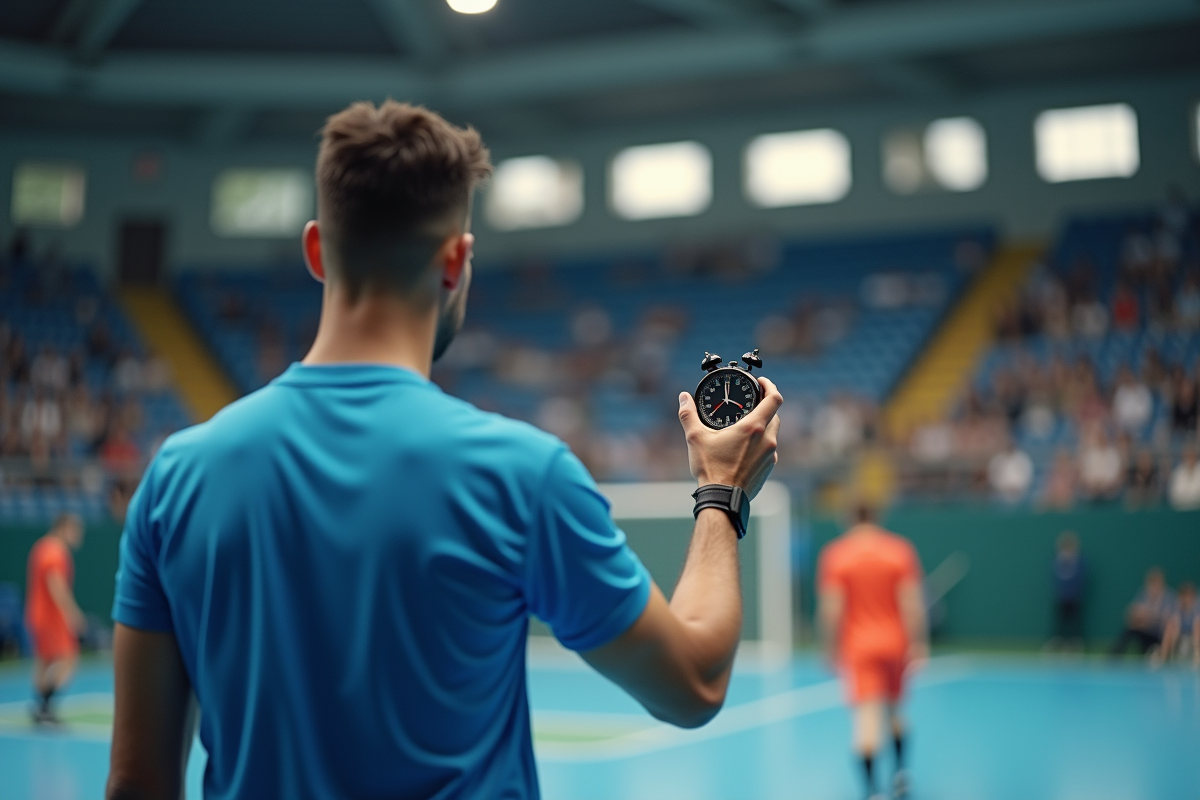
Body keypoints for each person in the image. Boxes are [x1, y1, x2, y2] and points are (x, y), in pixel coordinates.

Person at [104, 100, 784, 800]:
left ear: (316, 250)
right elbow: (694, 684)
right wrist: (720, 493)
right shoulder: (521, 477)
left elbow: (136, 783)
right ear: (456, 261)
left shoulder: (174, 479)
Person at [819, 504, 927, 800]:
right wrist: (918, 644)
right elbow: (912, 603)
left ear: (850, 518)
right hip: (896, 644)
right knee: (895, 711)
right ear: (877, 517)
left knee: (866, 720)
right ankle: (902, 775)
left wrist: (829, 648)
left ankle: (872, 791)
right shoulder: (899, 551)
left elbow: (832, 609)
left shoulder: (837, 554)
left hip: (860, 648)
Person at [24, 513, 86, 724]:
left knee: (45, 661)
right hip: (51, 618)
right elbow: (56, 585)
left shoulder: (41, 546)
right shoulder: (56, 551)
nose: (78, 535)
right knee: (69, 659)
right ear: (64, 527)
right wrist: (73, 614)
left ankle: (41, 707)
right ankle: (45, 705)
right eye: (75, 530)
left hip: (37, 614)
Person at [1110, 568, 1175, 660]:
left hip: (1159, 635)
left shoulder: (1169, 596)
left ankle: (1162, 654)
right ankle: (1113, 657)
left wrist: (1148, 616)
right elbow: (1133, 611)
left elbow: (1167, 618)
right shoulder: (1143, 593)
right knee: (1131, 627)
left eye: (1156, 582)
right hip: (1145, 631)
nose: (1153, 586)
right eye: (1151, 582)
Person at [1050, 531, 1086, 651]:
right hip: (1061, 597)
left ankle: (1075, 643)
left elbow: (1080, 577)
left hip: (1075, 597)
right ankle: (1057, 642)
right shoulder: (1058, 561)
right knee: (1060, 621)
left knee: (1075, 622)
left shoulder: (1078, 561)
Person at [1157, 582, 1199, 669]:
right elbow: (1173, 621)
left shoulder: (1197, 607)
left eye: (1189, 595)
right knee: (1170, 626)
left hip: (1193, 637)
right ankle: (1165, 656)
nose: (1187, 598)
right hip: (1179, 637)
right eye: (1185, 595)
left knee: (1198, 625)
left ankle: (1197, 654)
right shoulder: (1177, 606)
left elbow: (1196, 623)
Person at [1169, 444, 1200, 510]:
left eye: (1192, 456)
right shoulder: (1178, 472)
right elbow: (1174, 494)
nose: (1190, 459)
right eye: (1187, 456)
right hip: (1182, 512)